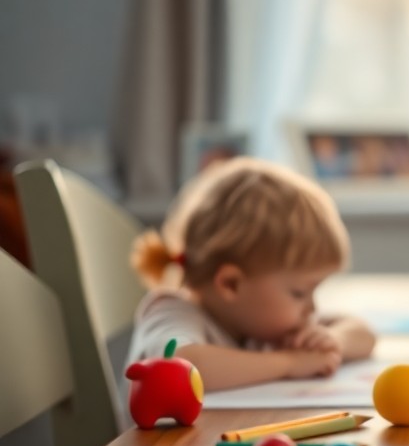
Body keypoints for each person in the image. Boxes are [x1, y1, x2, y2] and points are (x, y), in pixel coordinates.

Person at [128, 157, 376, 391]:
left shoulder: (262, 322)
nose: (311, 308)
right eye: (299, 293)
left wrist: (333, 341)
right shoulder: (171, 312)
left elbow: (365, 334)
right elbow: (181, 365)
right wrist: (289, 363)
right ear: (231, 284)